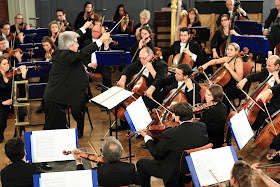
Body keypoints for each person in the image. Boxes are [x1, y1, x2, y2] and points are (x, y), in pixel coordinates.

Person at [43, 21, 110, 130]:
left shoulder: (61, 50)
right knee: (53, 129)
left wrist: (83, 28)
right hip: (55, 99)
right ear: (69, 46)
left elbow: (69, 37)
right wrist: (101, 40)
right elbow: (83, 53)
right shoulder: (66, 56)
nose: (78, 45)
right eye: (76, 43)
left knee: (60, 128)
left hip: (60, 97)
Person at [136, 102, 209, 187]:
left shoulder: (170, 134)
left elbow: (157, 154)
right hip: (194, 166)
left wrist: (146, 137)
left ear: (178, 118)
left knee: (141, 164)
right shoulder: (201, 127)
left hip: (174, 172)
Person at [73, 136, 138, 186]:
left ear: (104, 154)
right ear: (121, 152)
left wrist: (78, 161)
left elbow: (81, 179)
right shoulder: (130, 167)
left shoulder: (97, 171)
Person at [237, 55, 280, 131]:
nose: (266, 67)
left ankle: (254, 129)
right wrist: (245, 79)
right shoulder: (267, 70)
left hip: (275, 102)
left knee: (261, 115)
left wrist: (270, 90)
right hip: (261, 100)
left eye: (269, 65)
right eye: (266, 65)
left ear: (277, 66)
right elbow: (256, 76)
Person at [202, 42, 243, 115]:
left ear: (236, 51)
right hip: (224, 85)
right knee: (209, 92)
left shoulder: (238, 62)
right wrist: (205, 65)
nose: (228, 51)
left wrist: (229, 68)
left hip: (234, 86)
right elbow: (215, 61)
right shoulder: (227, 59)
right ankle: (211, 113)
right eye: (228, 49)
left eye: (231, 49)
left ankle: (224, 115)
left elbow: (239, 79)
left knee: (221, 95)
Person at [0, 56, 28, 142]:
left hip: (12, 101)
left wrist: (23, 75)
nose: (7, 65)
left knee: (21, 113)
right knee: (1, 120)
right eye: (4, 64)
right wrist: (3, 102)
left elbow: (22, 88)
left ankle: (17, 135)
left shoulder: (12, 75)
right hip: (2, 102)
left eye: (8, 63)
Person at [199, 84, 227, 148]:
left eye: (208, 95)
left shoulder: (212, 110)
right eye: (206, 94)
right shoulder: (222, 105)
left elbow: (201, 124)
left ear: (214, 96)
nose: (205, 96)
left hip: (212, 141)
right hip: (219, 137)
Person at [35, 36, 56, 114]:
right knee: (43, 86)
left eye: (47, 45)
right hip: (45, 74)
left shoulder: (55, 52)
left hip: (52, 75)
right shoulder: (45, 53)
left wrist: (50, 60)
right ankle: (44, 104)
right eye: (44, 45)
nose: (45, 47)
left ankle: (44, 105)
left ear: (51, 44)